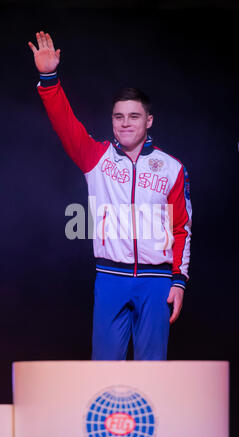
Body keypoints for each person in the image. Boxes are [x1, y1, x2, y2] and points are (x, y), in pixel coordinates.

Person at [28, 31, 192, 360]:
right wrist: (49, 77)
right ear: (112, 121)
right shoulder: (97, 158)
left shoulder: (171, 168)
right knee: (104, 371)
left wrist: (179, 281)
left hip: (157, 281)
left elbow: (182, 228)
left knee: (152, 372)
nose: (125, 123)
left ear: (148, 120)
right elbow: (65, 123)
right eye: (119, 117)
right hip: (110, 279)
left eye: (133, 116)